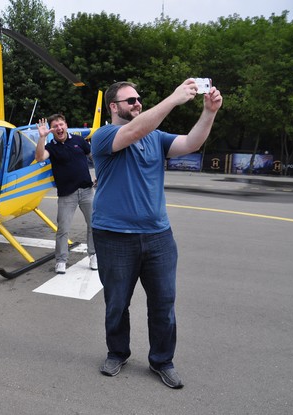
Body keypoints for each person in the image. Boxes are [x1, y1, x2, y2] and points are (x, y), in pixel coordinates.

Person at [91, 79, 223, 389]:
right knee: (117, 302)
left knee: (164, 303)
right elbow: (132, 132)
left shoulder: (156, 137)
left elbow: (191, 143)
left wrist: (209, 113)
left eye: (139, 99)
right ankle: (117, 352)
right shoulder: (103, 136)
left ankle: (162, 360)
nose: (137, 103)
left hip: (158, 236)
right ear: (113, 107)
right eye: (131, 100)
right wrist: (174, 99)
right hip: (114, 235)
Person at [35, 113, 97, 274]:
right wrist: (42, 137)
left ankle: (93, 255)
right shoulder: (51, 147)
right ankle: (61, 260)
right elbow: (40, 157)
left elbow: (94, 157)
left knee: (93, 225)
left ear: (66, 125)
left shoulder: (79, 141)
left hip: (87, 191)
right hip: (66, 195)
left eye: (61, 124)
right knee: (63, 229)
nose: (59, 128)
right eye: (55, 126)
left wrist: (101, 174)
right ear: (51, 130)